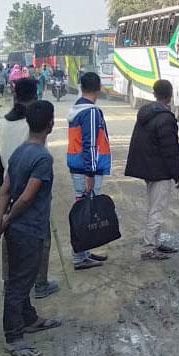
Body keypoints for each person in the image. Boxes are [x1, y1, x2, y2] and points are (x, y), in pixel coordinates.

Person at [0, 101, 62, 356]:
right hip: (28, 228)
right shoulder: (42, 157)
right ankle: (14, 336)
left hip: (16, 228)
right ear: (51, 125)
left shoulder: (19, 152)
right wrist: (8, 219)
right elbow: (26, 197)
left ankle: (29, 318)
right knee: (19, 283)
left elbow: (5, 190)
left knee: (21, 278)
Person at [0, 78, 59, 299]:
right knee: (40, 235)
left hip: (8, 183)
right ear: (35, 96)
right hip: (31, 185)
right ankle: (40, 282)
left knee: (9, 234)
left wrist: (2, 195)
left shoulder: (2, 123)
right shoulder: (33, 126)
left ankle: (8, 282)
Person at [124, 80, 179, 261]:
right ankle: (149, 248)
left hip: (148, 168)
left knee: (153, 207)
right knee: (157, 210)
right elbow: (170, 150)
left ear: (154, 93)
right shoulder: (165, 118)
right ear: (170, 95)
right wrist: (177, 174)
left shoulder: (146, 113)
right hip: (160, 170)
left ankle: (155, 243)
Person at [66, 72, 111, 270]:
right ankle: (79, 257)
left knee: (85, 209)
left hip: (79, 167)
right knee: (84, 212)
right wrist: (90, 173)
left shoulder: (77, 107)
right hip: (86, 170)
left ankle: (84, 251)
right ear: (99, 87)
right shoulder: (91, 112)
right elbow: (90, 144)